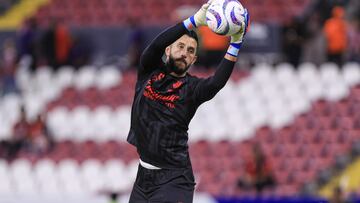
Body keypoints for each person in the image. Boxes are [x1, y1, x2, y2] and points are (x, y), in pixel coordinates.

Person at [126, 1, 249, 202]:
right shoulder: (148, 71)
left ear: (193, 60)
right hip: (143, 177)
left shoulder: (191, 89)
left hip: (174, 179)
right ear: (168, 50)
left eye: (191, 51)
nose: (185, 53)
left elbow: (216, 82)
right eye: (181, 46)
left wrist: (235, 43)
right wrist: (193, 22)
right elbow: (156, 45)